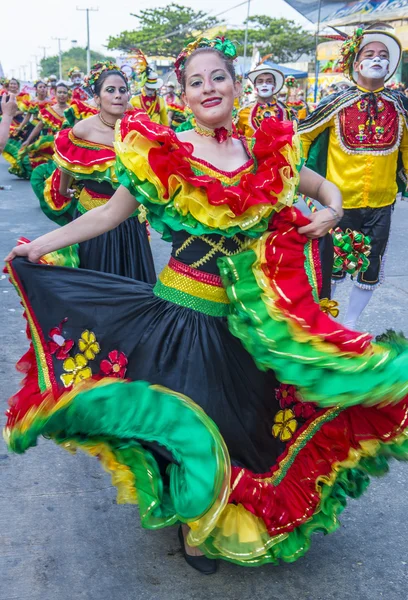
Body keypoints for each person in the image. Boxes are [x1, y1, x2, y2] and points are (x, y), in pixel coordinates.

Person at [5, 37, 408, 575]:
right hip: (181, 316)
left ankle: (228, 505)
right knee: (194, 421)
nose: (207, 89)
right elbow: (107, 216)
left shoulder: (265, 152)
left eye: (217, 77)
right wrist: (39, 247)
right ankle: (196, 524)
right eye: (195, 83)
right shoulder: (163, 155)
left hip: (248, 323)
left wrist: (332, 209)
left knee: (248, 422)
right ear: (185, 97)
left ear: (235, 85)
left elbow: (318, 185)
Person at [300, 25, 408, 330]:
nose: (377, 59)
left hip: (381, 204)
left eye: (384, 55)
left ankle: (350, 324)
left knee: (369, 269)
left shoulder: (399, 107)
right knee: (331, 268)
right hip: (338, 205)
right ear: (356, 63)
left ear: (390, 67)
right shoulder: (335, 104)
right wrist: (306, 185)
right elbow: (302, 137)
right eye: (370, 54)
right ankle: (326, 325)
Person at [33, 61, 155, 282]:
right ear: (97, 98)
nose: (118, 95)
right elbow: (68, 163)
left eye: (122, 90)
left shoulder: (138, 127)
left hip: (130, 221)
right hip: (92, 219)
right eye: (110, 90)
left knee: (132, 284)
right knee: (96, 281)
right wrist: (63, 188)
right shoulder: (84, 129)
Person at [20, 81, 70, 171]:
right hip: (52, 144)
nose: (62, 95)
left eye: (64, 92)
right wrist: (28, 141)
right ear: (55, 93)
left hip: (68, 145)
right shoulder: (48, 110)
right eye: (59, 92)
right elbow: (39, 126)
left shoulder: (73, 110)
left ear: (67, 94)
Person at [236, 64, 291, 137]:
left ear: (274, 85)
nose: (264, 84)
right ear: (255, 86)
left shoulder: (286, 112)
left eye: (269, 81)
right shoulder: (243, 113)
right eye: (260, 81)